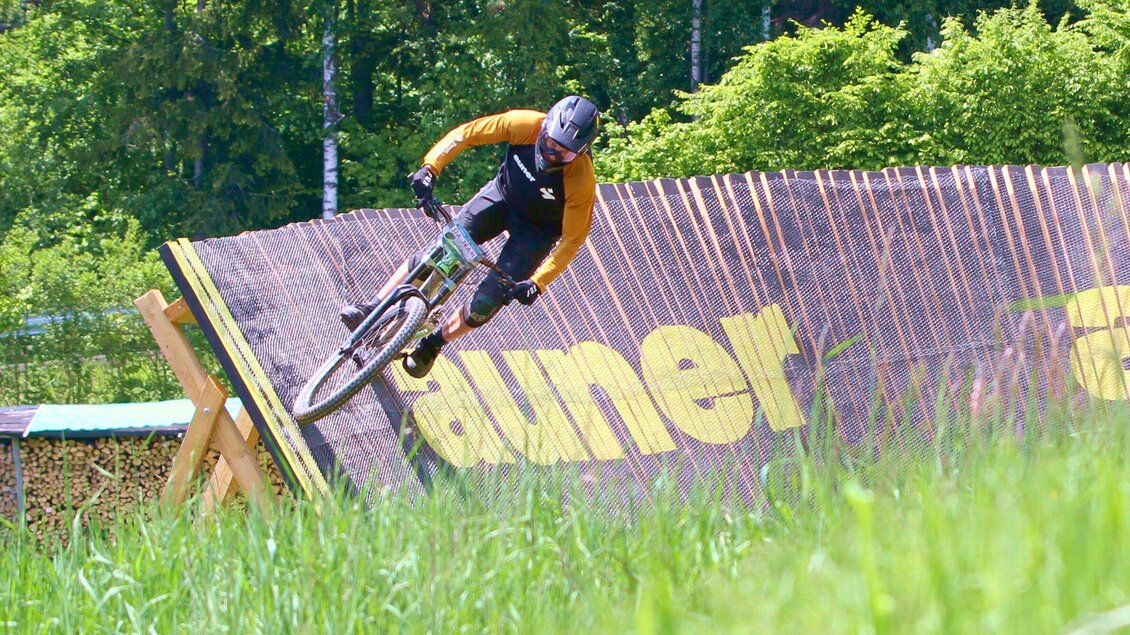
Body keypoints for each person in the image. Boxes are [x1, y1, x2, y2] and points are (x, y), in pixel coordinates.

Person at [340, 95, 600, 379]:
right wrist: (431, 167)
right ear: (545, 127)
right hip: (501, 197)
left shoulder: (581, 180)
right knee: (439, 254)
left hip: (536, 232)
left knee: (487, 303)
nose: (553, 155)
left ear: (582, 152)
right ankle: (374, 307)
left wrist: (537, 284)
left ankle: (433, 344)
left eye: (565, 154)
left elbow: (573, 240)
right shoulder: (523, 124)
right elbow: (466, 134)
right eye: (550, 144)